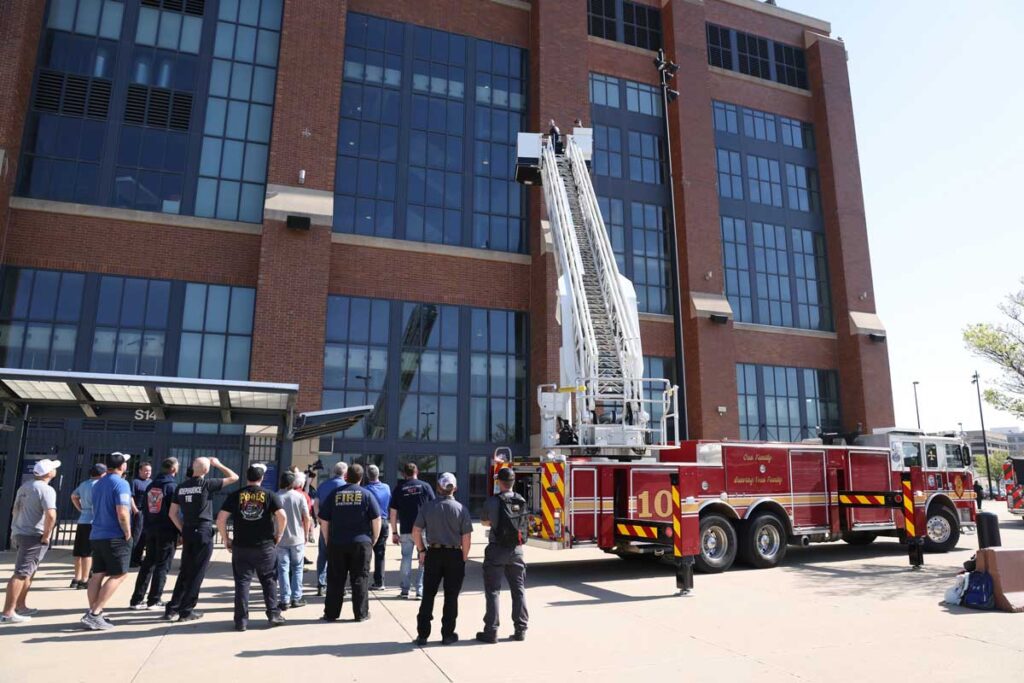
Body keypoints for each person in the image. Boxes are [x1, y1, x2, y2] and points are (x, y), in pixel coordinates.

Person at [164, 456, 238, 623]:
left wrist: (182, 529)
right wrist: (218, 464)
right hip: (203, 530)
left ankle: (173, 607)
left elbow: (172, 513)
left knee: (185, 570)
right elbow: (234, 477)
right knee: (197, 572)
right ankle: (187, 610)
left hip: (188, 529)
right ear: (205, 470)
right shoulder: (206, 484)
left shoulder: (181, 487)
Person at [217, 464, 287, 631]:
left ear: (247, 477)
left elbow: (221, 519)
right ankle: (273, 614)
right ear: (261, 478)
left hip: (241, 546)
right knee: (269, 580)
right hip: (265, 546)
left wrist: (226, 539)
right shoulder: (269, 495)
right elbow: (282, 516)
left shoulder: (236, 495)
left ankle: (241, 621)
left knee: (242, 583)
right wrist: (279, 534)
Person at [413, 473, 472, 646]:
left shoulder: (427, 507)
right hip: (454, 555)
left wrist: (422, 549)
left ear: (438, 487)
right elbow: (466, 538)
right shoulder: (462, 509)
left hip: (434, 554)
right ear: (455, 488)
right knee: (451, 596)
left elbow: (416, 531)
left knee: (428, 595)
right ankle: (447, 634)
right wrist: (463, 558)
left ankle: (423, 635)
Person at [318, 463, 381, 622]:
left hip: (337, 542)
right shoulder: (366, 494)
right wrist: (374, 538)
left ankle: (331, 613)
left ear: (346, 477)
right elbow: (376, 518)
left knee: (335, 579)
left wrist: (326, 538)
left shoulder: (335, 493)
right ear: (361, 478)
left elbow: (323, 519)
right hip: (361, 543)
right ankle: (361, 614)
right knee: (360, 578)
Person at [0, 458, 60, 624]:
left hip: (21, 532)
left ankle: (20, 605)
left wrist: (17, 527)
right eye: (53, 469)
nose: (55, 471)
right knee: (21, 573)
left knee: (28, 571)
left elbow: (15, 509)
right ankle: (8, 612)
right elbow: (51, 515)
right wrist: (46, 536)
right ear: (49, 473)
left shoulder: (25, 486)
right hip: (33, 535)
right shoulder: (46, 490)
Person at [82, 452, 134, 631]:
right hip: (114, 535)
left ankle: (93, 612)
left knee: (98, 574)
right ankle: (95, 613)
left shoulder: (98, 483)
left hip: (97, 534)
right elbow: (122, 511)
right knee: (119, 574)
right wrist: (127, 532)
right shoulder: (121, 483)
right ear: (123, 466)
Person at [477, 467, 529, 643]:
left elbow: (484, 522)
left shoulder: (492, 501)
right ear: (513, 482)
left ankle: (491, 631)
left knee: (493, 591)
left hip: (496, 550)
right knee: (519, 590)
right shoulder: (521, 499)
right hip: (516, 551)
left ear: (499, 482)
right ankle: (520, 630)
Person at [130, 457, 180, 610]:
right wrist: (181, 530)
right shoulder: (172, 487)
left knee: (148, 563)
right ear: (173, 469)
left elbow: (146, 506)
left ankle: (137, 599)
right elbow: (176, 512)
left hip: (150, 528)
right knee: (162, 565)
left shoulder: (151, 485)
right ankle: (154, 599)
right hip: (166, 530)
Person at [390, 463, 434, 599]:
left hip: (406, 530)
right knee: (423, 558)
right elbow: (434, 508)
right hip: (423, 529)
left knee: (406, 558)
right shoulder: (425, 486)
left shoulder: (399, 489)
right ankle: (419, 590)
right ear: (417, 472)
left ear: (404, 474)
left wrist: (394, 532)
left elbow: (393, 513)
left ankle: (405, 590)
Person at [277, 471, 310, 611]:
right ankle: (296, 597)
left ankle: (284, 599)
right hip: (297, 537)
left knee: (283, 569)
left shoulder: (276, 496)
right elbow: (306, 517)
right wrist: (306, 533)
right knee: (297, 568)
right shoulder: (299, 496)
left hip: (280, 537)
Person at [70, 463, 106, 589]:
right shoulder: (100, 485)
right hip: (93, 521)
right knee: (88, 552)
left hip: (82, 519)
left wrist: (81, 508)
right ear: (102, 474)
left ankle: (76, 578)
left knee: (78, 552)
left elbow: (74, 496)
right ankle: (85, 579)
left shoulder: (84, 484)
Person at [315, 461, 347, 596]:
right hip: (340, 526)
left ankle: (321, 585)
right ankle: (339, 585)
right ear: (345, 473)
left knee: (323, 554)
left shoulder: (323, 485)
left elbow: (315, 504)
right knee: (340, 556)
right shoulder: (345, 487)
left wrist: (319, 519)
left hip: (324, 524)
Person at [365, 464, 391, 590]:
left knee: (366, 552)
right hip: (384, 521)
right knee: (380, 554)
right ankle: (379, 581)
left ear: (367, 475)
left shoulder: (365, 490)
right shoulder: (386, 487)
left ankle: (363, 577)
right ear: (378, 474)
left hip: (370, 523)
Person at [129, 461, 152, 567]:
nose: (148, 472)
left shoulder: (152, 482)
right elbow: (130, 497)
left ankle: (138, 558)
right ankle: (132, 559)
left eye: (149, 471)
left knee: (145, 537)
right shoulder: (135, 482)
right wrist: (135, 511)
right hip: (139, 512)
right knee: (136, 537)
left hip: (148, 512)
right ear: (140, 471)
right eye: (146, 470)